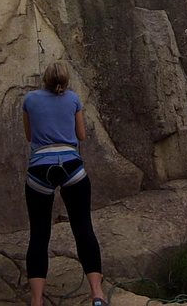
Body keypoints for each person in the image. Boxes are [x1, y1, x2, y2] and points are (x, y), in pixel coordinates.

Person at [22, 61, 107, 306]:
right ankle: (97, 295)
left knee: (39, 234)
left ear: (45, 79)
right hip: (71, 167)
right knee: (83, 229)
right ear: (65, 81)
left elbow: (30, 137)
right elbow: (81, 135)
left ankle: (37, 301)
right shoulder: (73, 99)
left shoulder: (30, 99)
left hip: (40, 168)